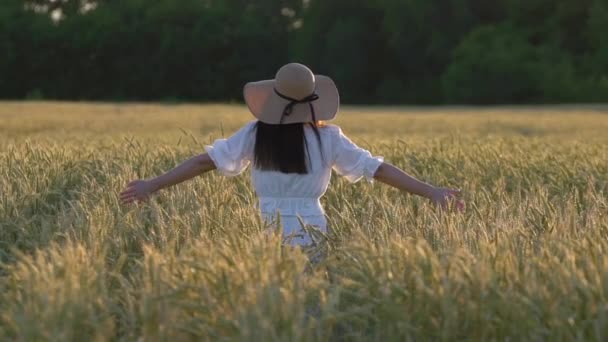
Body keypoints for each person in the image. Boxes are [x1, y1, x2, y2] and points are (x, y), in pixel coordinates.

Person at [120, 63, 463, 246]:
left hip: (265, 224)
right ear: (314, 102)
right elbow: (379, 170)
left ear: (273, 98)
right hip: (312, 228)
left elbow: (203, 162)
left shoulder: (256, 134)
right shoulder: (329, 137)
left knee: (271, 311)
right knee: (307, 309)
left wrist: (152, 184)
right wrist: (432, 192)